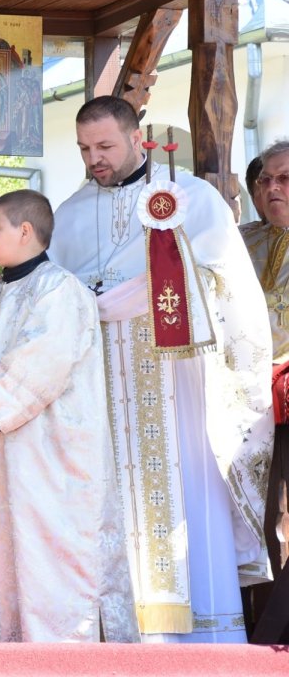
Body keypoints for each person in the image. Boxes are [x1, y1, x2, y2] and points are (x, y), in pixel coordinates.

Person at [49, 95, 273, 642]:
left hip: (176, 379)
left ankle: (201, 632)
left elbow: (227, 285)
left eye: (105, 146)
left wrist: (156, 288)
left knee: (183, 490)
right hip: (102, 385)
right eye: (84, 149)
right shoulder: (70, 212)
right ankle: (122, 629)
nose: (94, 159)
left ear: (136, 137)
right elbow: (52, 288)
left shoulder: (192, 197)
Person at [0, 189, 138, 642]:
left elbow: (45, 357)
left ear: (25, 231)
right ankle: (23, 658)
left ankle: (74, 661)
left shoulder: (60, 290)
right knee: (17, 559)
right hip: (8, 454)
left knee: (63, 559)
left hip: (59, 457)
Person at [241, 140, 289, 642]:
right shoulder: (239, 242)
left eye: (285, 179)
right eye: (265, 180)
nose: (273, 188)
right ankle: (256, 627)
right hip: (245, 403)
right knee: (255, 517)